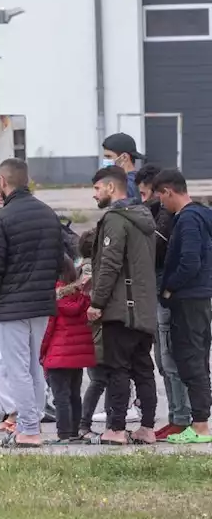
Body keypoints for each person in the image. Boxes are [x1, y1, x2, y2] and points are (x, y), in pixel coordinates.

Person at [0, 159, 62, 448]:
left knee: (16, 369)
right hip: (41, 304)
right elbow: (58, 262)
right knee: (35, 366)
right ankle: (33, 420)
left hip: (11, 306)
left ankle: (28, 428)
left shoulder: (1, 219)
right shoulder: (48, 214)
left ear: (2, 181)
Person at [87, 165, 158, 445]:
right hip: (144, 310)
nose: (94, 195)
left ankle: (116, 429)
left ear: (110, 188)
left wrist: (97, 302)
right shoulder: (144, 218)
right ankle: (148, 428)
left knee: (117, 368)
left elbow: (109, 265)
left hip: (121, 310)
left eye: (96, 189)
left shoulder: (116, 220)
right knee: (143, 368)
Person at [150, 169, 212, 443]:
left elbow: (189, 262)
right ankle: (200, 422)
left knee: (191, 360)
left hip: (188, 299)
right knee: (196, 360)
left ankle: (200, 426)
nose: (161, 204)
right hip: (199, 298)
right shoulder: (202, 214)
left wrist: (168, 287)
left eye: (160, 198)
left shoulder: (187, 220)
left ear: (168, 191)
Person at [135, 164, 188, 439]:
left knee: (170, 358)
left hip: (165, 292)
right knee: (162, 358)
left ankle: (182, 416)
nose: (143, 200)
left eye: (146, 194)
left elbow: (160, 251)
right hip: (156, 291)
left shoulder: (168, 216)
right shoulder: (159, 211)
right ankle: (176, 415)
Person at [40, 255, 96, 444]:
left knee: (60, 397)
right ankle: (73, 431)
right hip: (77, 358)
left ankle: (62, 433)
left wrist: (42, 352)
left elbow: (48, 330)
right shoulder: (82, 297)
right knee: (74, 395)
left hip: (57, 355)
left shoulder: (54, 297)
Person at [76, 229, 111, 440]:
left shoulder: (80, 266)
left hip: (88, 332)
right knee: (100, 379)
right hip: (96, 332)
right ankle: (85, 423)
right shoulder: (92, 269)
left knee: (100, 379)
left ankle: (88, 423)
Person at [101, 133, 142, 202]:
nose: (106, 161)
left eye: (109, 157)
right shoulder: (137, 180)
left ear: (124, 157)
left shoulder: (126, 185)